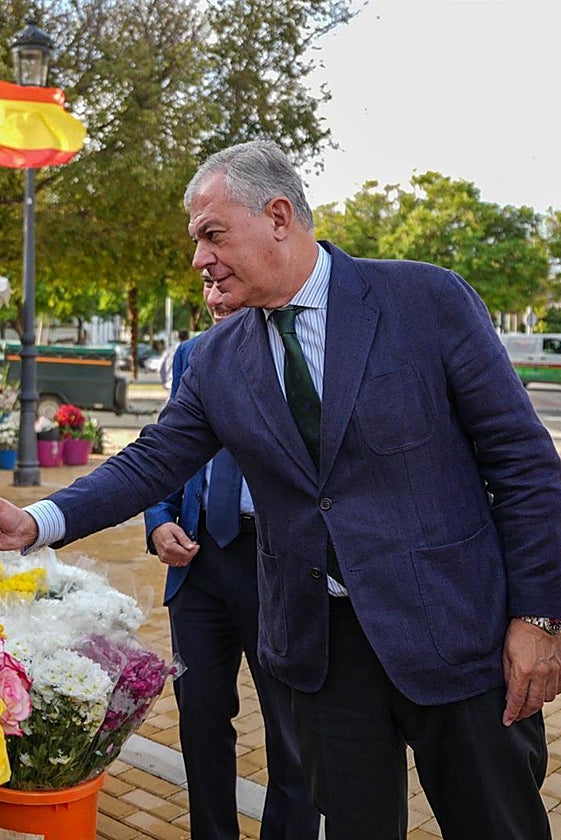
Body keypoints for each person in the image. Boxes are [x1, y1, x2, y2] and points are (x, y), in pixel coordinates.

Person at [0, 141, 561, 838]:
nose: (199, 258)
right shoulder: (215, 359)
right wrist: (34, 521)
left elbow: (523, 461)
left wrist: (538, 617)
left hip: (457, 633)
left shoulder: (424, 299)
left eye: (212, 234)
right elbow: (152, 461)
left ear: (279, 216)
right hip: (322, 652)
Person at [145, 282, 317, 840]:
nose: (216, 300)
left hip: (276, 567)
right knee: (199, 719)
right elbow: (167, 449)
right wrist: (158, 520)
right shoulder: (193, 355)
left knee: (291, 733)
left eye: (227, 289)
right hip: (197, 566)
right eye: (207, 290)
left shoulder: (298, 354)